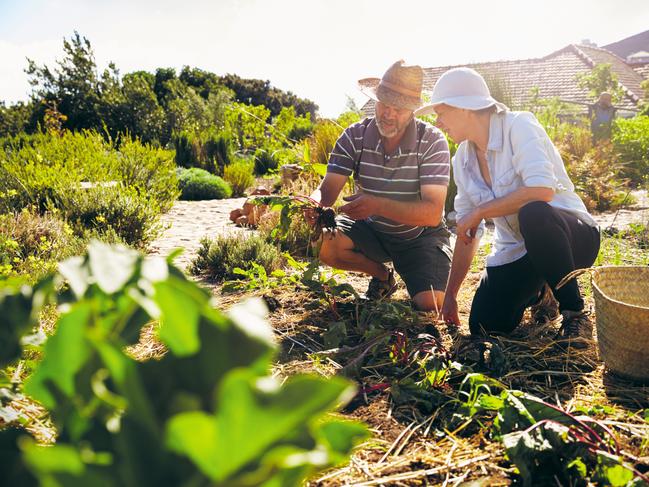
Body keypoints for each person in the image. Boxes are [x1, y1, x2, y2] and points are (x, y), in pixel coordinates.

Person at [415, 67, 600, 347]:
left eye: (441, 113)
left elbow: (542, 190)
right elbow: (468, 232)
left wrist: (481, 211)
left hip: (572, 237)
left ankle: (575, 313)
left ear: (464, 108)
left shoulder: (518, 125)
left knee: (534, 212)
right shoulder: (462, 161)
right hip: (520, 250)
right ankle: (541, 292)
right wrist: (451, 294)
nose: (438, 123)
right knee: (484, 324)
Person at [308, 60, 452, 311]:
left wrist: (377, 205)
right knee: (322, 241)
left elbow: (432, 213)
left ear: (412, 111)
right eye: (384, 103)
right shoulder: (355, 136)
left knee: (431, 305)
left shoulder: (432, 141)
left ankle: (417, 274)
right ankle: (382, 276)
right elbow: (328, 189)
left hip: (420, 237)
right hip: (371, 231)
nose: (388, 113)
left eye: (399, 108)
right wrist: (311, 204)